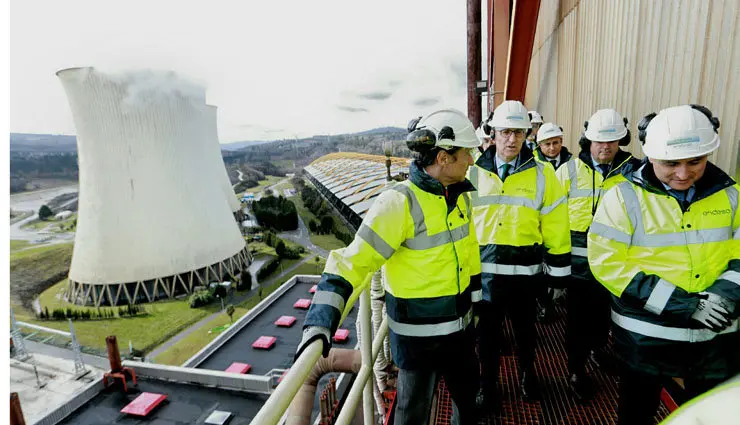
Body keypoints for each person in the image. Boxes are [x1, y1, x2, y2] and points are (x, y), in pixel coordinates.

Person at [295, 108, 483, 425]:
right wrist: (318, 325)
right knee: (412, 414)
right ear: (444, 157)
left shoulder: (459, 198)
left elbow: (470, 254)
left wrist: (477, 305)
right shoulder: (398, 203)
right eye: (466, 152)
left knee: (467, 400)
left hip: (460, 332)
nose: (472, 161)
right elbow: (350, 263)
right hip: (418, 342)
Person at [587, 104, 740, 425]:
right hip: (646, 341)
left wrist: (726, 297)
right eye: (671, 164)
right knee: (636, 413)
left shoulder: (732, 197)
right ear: (650, 155)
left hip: (714, 337)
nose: (683, 174)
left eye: (695, 162)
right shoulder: (622, 198)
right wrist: (683, 305)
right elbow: (607, 262)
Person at [470, 100, 571, 409]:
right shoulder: (472, 174)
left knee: (526, 333)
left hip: (527, 276)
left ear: (528, 134)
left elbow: (556, 224)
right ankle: (488, 386)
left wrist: (558, 274)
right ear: (493, 134)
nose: (512, 139)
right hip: (485, 275)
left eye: (519, 132)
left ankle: (528, 375)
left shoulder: (543, 176)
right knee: (486, 338)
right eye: (505, 132)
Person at [555, 108, 641, 400]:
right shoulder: (567, 170)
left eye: (613, 141)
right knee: (577, 321)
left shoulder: (637, 172)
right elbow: (552, 217)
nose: (605, 147)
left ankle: (597, 349)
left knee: (606, 318)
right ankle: (576, 370)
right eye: (599, 141)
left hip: (619, 267)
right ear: (587, 140)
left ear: (622, 140)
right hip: (578, 268)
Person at [533, 122, 574, 323]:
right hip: (539, 228)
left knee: (559, 269)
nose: (551, 148)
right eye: (547, 144)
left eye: (555, 143)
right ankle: (544, 304)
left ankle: (555, 299)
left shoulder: (572, 165)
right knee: (541, 272)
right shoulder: (532, 166)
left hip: (563, 226)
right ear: (539, 145)